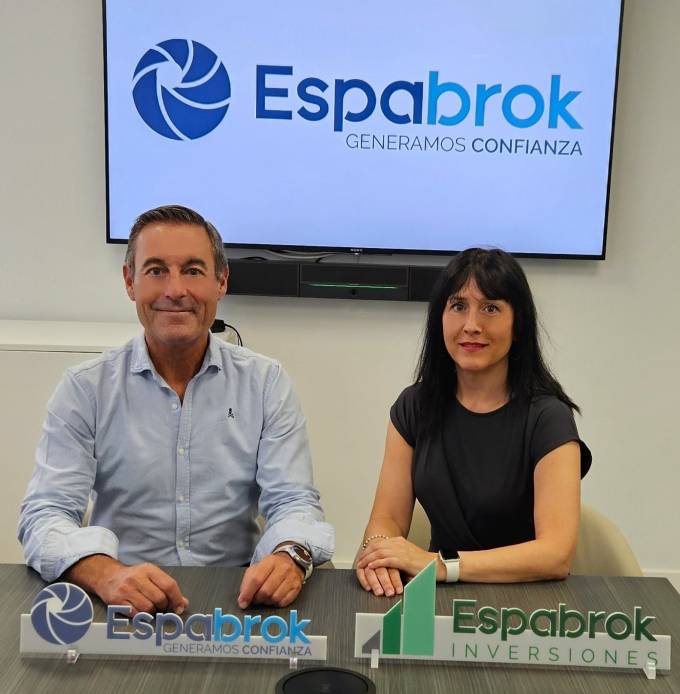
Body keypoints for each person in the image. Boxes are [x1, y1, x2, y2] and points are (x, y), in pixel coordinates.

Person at [19, 204, 333, 613]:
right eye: (156, 271)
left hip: (237, 594)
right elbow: (45, 513)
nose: (175, 289)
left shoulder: (265, 383)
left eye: (193, 270)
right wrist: (104, 573)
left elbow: (294, 501)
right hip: (120, 594)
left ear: (221, 282)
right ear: (130, 282)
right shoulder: (85, 388)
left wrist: (289, 555)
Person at [356, 248, 591, 596]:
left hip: (526, 601)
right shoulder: (414, 406)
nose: (471, 325)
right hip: (438, 596)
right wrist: (380, 553)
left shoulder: (548, 417)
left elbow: (554, 555)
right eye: (458, 306)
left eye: (490, 308)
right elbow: (387, 518)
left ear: (518, 326)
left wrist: (441, 564)